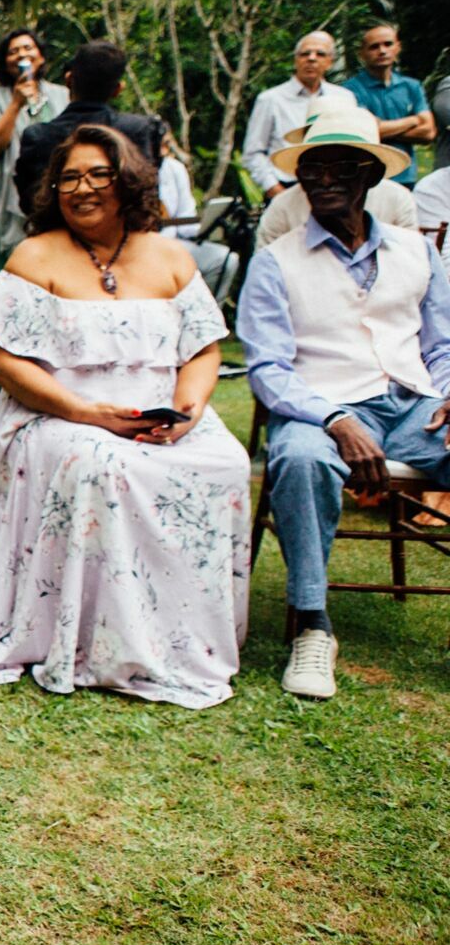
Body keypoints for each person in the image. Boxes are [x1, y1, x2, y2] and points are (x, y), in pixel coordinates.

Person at [0, 124, 250, 707]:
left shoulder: (169, 257)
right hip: (57, 414)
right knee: (102, 464)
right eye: (69, 177)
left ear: (128, 181)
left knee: (227, 461)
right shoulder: (33, 256)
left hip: (159, 415)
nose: (82, 188)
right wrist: (89, 412)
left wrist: (188, 412)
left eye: (97, 175)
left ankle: (181, 641)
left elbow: (203, 350)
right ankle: (103, 642)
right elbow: (4, 362)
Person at [237, 105, 450, 700]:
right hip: (319, 406)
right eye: (312, 169)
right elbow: (269, 369)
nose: (323, 180)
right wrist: (335, 419)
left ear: (370, 178)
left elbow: (442, 345)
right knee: (301, 460)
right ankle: (312, 625)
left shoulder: (415, 250)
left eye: (340, 168)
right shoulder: (276, 262)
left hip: (412, 405)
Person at [0, 29, 70, 399]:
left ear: (40, 56)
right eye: (14, 50)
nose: (21, 54)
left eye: (28, 48)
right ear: (4, 60)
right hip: (4, 203)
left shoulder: (60, 95)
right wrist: (13, 106)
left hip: (54, 204)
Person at [13, 39, 163, 209]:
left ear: (69, 80)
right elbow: (146, 199)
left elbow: (31, 203)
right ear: (117, 90)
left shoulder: (38, 137)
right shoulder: (137, 130)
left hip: (57, 233)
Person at [258, 103, 419, 245]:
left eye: (344, 168)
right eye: (314, 166)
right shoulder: (283, 207)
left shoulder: (397, 199)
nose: (326, 180)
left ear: (373, 174)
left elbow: (410, 256)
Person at [241, 30, 350, 200]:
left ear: (330, 62)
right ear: (295, 60)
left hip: (335, 189)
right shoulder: (271, 99)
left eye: (320, 54)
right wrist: (274, 190)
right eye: (305, 54)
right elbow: (252, 153)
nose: (311, 58)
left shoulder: (343, 98)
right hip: (287, 187)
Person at [156, 119, 239, 302]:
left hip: (174, 243)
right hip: (142, 248)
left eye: (167, 144)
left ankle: (208, 321)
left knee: (225, 259)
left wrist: (212, 222)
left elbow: (186, 220)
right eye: (158, 145)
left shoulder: (175, 168)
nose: (163, 151)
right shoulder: (130, 168)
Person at [344, 23, 435, 186]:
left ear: (398, 47)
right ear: (362, 53)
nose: (382, 50)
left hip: (406, 175)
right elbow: (364, 132)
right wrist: (413, 121)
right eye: (374, 47)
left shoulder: (411, 86)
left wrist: (381, 129)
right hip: (367, 177)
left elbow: (428, 133)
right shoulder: (350, 90)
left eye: (388, 44)